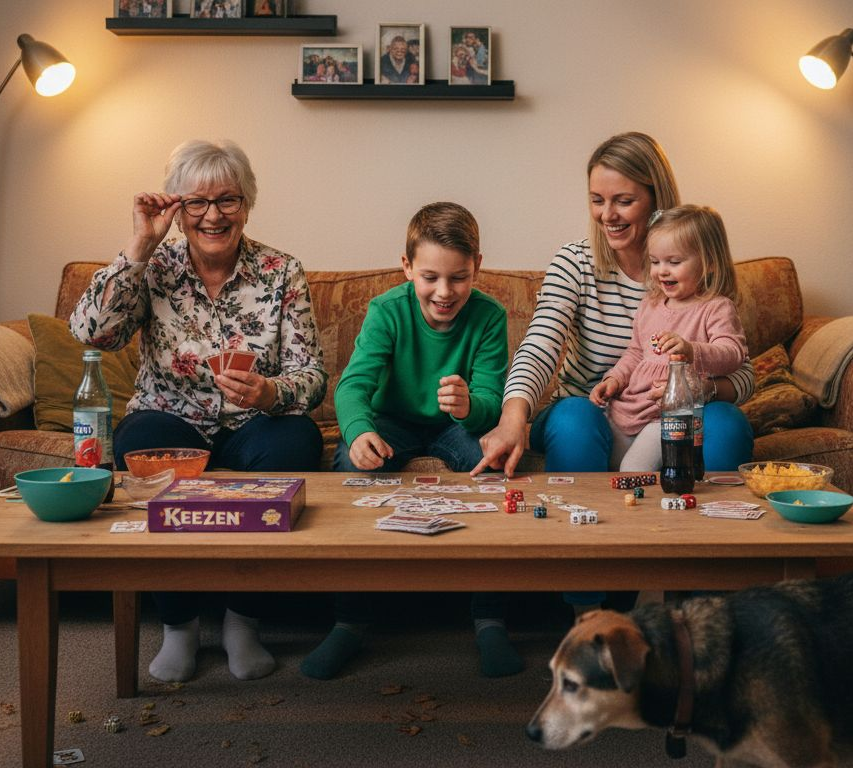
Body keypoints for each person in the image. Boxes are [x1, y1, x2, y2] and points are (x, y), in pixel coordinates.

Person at [70, 139, 327, 683]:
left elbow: (312, 378)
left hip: (256, 424)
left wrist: (270, 394)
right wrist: (138, 246)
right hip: (169, 417)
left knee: (297, 441)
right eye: (197, 203)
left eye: (228, 200)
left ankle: (242, 620)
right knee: (141, 443)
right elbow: (91, 334)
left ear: (247, 205)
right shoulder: (154, 267)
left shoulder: (282, 271)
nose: (213, 216)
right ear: (177, 210)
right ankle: (179, 625)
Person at [471, 132, 755, 616]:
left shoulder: (694, 276)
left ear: (655, 201)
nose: (609, 215)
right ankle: (588, 606)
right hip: (597, 412)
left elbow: (741, 371)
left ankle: (696, 599)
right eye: (598, 201)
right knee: (576, 417)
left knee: (725, 420)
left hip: (672, 413)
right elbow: (541, 344)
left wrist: (699, 385)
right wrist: (514, 416)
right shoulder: (577, 262)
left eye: (624, 201)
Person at [303, 201, 520, 680]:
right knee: (350, 470)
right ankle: (349, 620)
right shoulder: (386, 311)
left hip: (456, 426)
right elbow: (353, 385)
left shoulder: (488, 316)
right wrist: (359, 433)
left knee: (493, 472)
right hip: (392, 422)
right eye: (430, 277)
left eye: (458, 278)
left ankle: (490, 617)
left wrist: (471, 406)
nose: (444, 292)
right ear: (407, 268)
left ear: (477, 267)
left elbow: (490, 399)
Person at [589, 205, 748, 471]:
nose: (662, 271)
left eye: (674, 262)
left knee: (633, 470)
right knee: (608, 469)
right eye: (655, 261)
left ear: (709, 263)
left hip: (669, 414)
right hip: (628, 407)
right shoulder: (650, 304)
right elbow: (636, 352)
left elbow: (733, 353)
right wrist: (614, 379)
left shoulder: (716, 307)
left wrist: (692, 350)